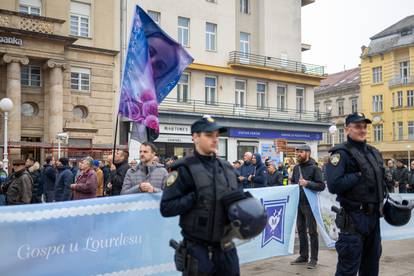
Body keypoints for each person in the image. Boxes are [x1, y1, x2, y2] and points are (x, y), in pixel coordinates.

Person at [160, 115, 241, 275]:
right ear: (195, 137)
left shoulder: (227, 168)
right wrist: (195, 197)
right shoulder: (183, 169)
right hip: (198, 251)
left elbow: (236, 201)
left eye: (217, 135)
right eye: (209, 135)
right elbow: (166, 208)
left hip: (226, 249)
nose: (215, 139)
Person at [326, 113, 386, 276]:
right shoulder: (341, 153)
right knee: (348, 269)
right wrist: (357, 175)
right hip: (354, 219)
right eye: (358, 126)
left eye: (364, 126)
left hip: (374, 219)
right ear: (347, 129)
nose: (362, 130)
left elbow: (381, 182)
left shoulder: (374, 153)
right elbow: (333, 184)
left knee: (371, 267)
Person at [290, 145, 325, 269]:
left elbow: (321, 186)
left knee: (312, 232)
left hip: (310, 205)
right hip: (298, 203)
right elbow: (293, 184)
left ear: (308, 153)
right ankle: (303, 256)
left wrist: (308, 183)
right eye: (297, 151)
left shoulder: (315, 168)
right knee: (300, 230)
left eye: (301, 152)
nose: (298, 153)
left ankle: (314, 259)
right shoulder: (296, 168)